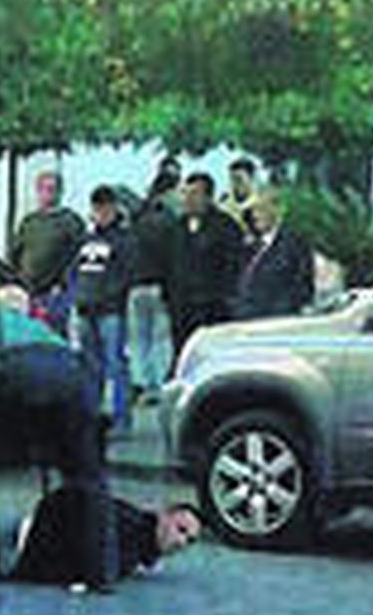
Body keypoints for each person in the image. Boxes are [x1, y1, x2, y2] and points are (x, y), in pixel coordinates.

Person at [0, 301, 118, 592]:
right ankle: (100, 573)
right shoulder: (34, 325)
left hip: (13, 374)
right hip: (71, 377)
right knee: (90, 481)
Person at [0, 492, 201, 588]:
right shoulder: (130, 529)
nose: (181, 542)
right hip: (22, 544)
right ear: (164, 516)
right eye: (180, 530)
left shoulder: (139, 544)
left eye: (189, 540)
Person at [70, 185, 135, 429]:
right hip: (85, 309)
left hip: (110, 311)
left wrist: (109, 296)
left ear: (114, 208)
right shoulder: (86, 239)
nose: (101, 212)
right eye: (97, 207)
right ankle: (91, 414)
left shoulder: (124, 239)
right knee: (90, 367)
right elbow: (73, 270)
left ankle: (121, 417)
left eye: (106, 207)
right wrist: (75, 295)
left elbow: (127, 274)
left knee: (116, 364)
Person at [164, 173, 247, 358]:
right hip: (181, 309)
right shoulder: (177, 227)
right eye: (185, 193)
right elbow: (169, 264)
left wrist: (225, 298)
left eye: (195, 193)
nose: (188, 199)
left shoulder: (225, 226)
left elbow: (234, 266)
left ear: (208, 197)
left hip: (212, 308)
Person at [10, 170, 86, 332]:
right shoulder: (29, 222)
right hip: (29, 291)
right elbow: (15, 253)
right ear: (37, 191)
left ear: (60, 192)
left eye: (52, 189)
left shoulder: (70, 221)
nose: (48, 193)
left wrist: (63, 283)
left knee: (54, 334)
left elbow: (78, 257)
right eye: (44, 188)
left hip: (56, 292)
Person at [127, 169, 181, 395]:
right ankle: (157, 386)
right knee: (159, 338)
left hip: (136, 284)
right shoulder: (170, 220)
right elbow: (173, 256)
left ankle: (140, 379)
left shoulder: (138, 217)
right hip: (159, 284)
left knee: (139, 338)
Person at [235, 190, 315, 319]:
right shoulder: (250, 248)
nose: (255, 216)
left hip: (273, 323)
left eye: (261, 209)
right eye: (254, 211)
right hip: (244, 323)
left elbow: (300, 289)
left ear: (277, 211)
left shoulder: (293, 246)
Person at [220, 158, 261, 243]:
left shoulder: (259, 205)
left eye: (239, 179)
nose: (235, 184)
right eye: (232, 179)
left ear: (250, 178)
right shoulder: (224, 200)